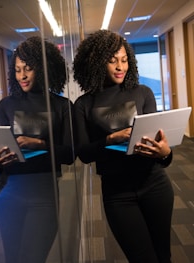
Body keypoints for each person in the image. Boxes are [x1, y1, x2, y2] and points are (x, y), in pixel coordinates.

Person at [73, 29, 174, 263]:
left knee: (163, 256)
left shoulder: (143, 93)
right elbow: (84, 154)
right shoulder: (84, 104)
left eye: (124, 60)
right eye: (112, 61)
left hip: (155, 185)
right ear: (97, 63)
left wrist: (166, 153)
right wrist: (109, 140)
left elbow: (160, 148)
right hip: (118, 194)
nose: (120, 66)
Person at [0, 36, 75, 263]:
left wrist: (40, 144)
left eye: (28, 69)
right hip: (8, 194)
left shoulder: (62, 106)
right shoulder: (6, 105)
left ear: (44, 69)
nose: (22, 76)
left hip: (44, 196)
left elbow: (70, 154)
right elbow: (0, 158)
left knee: (32, 258)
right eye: (17, 70)